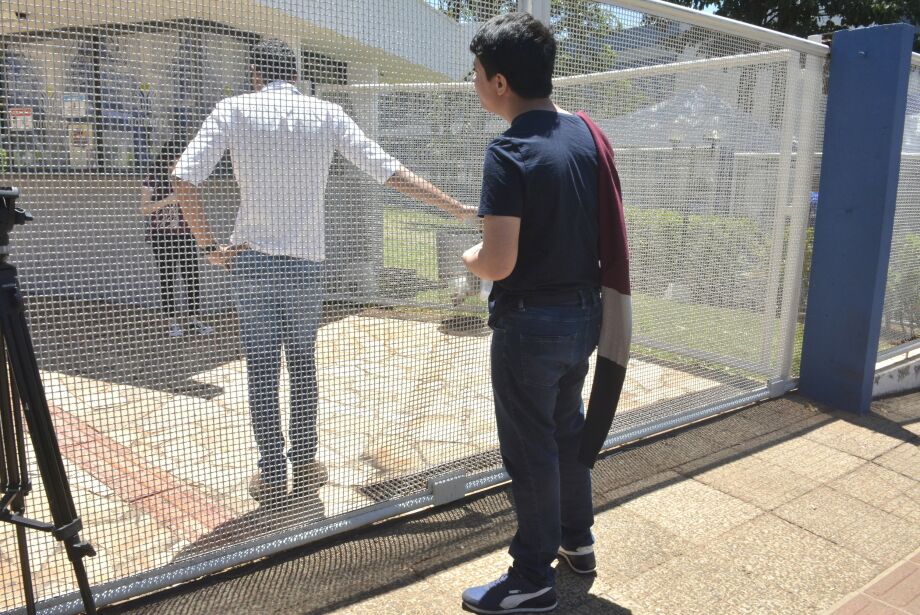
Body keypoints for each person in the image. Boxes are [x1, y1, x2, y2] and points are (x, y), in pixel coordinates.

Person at [173, 39, 474, 509]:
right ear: (295, 75)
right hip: (305, 264)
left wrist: (209, 245)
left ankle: (272, 473)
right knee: (302, 366)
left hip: (250, 261)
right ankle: (305, 463)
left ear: (255, 74)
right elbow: (388, 171)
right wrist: (455, 208)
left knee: (261, 369)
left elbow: (183, 176)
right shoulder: (325, 113)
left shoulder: (232, 110)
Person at [460, 12, 631, 614]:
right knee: (565, 431)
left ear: (500, 82)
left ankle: (531, 577)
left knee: (531, 450)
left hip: (531, 325)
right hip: (586, 315)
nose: (474, 82)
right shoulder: (585, 133)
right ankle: (576, 541)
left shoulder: (509, 150)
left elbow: (498, 261)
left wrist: (469, 257)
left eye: (476, 73)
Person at [140, 138, 214, 338]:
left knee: (192, 277)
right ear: (167, 160)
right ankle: (171, 322)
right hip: (162, 236)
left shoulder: (186, 178)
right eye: (177, 160)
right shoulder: (153, 178)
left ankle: (193, 319)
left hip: (186, 234)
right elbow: (144, 209)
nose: (180, 164)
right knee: (167, 278)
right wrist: (170, 200)